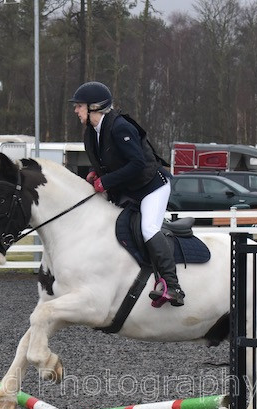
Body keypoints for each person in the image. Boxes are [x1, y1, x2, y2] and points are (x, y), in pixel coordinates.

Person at [70, 81, 183, 306]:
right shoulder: (91, 133)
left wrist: (107, 181)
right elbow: (108, 161)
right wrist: (95, 173)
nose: (76, 110)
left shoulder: (120, 127)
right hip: (131, 190)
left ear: (94, 107)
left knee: (148, 228)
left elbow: (137, 164)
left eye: (79, 106)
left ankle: (173, 285)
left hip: (152, 186)